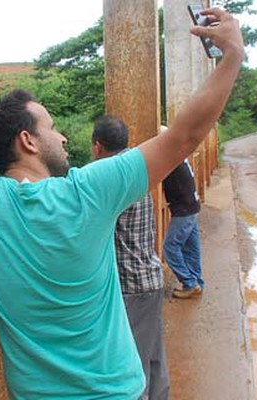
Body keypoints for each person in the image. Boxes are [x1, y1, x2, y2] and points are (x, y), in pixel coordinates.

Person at [0, 7, 244, 399]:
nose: (63, 137)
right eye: (51, 127)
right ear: (27, 141)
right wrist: (232, 56)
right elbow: (185, 136)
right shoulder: (90, 189)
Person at [91, 115, 169, 400]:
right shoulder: (135, 170)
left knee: (133, 368)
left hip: (132, 286)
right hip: (150, 277)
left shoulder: (111, 177)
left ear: (97, 146)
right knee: (154, 357)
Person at [162, 159, 203, 299]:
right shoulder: (180, 156)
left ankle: (190, 283)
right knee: (191, 248)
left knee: (170, 247)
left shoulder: (171, 159)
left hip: (184, 210)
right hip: (191, 205)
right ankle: (196, 282)